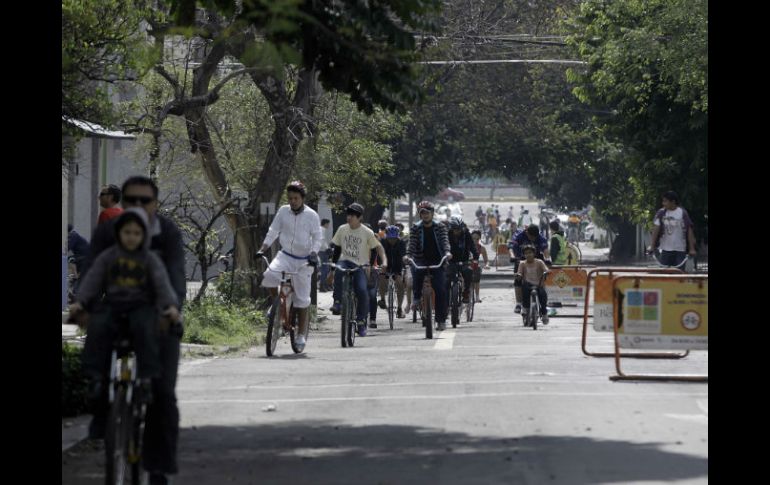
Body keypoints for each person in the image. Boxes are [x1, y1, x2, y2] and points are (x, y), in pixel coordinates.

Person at [80, 176, 186, 485]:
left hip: (157, 317)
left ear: (155, 204)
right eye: (131, 200)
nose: (138, 206)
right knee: (96, 355)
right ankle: (103, 413)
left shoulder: (167, 233)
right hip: (114, 310)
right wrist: (84, 306)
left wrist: (172, 311)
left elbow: (176, 279)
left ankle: (157, 469)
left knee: (162, 394)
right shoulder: (107, 232)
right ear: (122, 203)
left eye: (146, 201)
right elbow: (92, 273)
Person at [70, 207, 180, 413]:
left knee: (147, 329)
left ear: (143, 236)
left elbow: (162, 285)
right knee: (97, 327)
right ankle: (95, 378)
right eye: (127, 232)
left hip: (142, 307)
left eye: (136, 233)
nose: (131, 237)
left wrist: (171, 307)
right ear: (119, 234)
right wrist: (80, 302)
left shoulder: (150, 259)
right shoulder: (108, 257)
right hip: (113, 305)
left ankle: (146, 379)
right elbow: (92, 280)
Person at [257, 181, 324, 351]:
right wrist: (262, 249)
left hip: (304, 260)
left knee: (302, 299)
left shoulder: (312, 215)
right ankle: (277, 306)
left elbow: (317, 238)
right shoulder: (283, 211)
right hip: (285, 255)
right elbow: (273, 231)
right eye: (290, 198)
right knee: (269, 276)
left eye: (296, 198)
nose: (293, 201)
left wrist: (314, 253)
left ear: (302, 198)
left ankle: (301, 334)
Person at [329, 203, 388, 336]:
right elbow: (337, 249)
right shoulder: (342, 229)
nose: (349, 218)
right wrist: (331, 269)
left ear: (360, 217)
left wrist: (384, 261)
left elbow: (378, 248)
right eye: (348, 215)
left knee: (362, 291)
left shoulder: (367, 232)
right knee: (338, 269)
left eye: (353, 215)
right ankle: (337, 302)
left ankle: (361, 321)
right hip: (345, 261)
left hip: (360, 265)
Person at [406, 201, 452, 331]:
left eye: (427, 212)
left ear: (432, 213)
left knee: (440, 290)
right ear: (420, 215)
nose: (425, 215)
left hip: (438, 260)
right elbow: (412, 244)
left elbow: (444, 242)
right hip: (421, 259)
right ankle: (416, 298)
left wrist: (447, 253)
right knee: (416, 272)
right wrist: (408, 255)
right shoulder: (415, 227)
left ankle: (441, 320)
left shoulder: (440, 227)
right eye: (422, 213)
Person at [648, 191, 697, 267]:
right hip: (664, 249)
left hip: (680, 250)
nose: (663, 203)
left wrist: (692, 248)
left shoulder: (682, 213)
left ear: (673, 202)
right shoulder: (661, 213)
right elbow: (656, 230)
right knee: (664, 275)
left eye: (665, 201)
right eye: (663, 201)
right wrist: (652, 246)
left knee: (679, 275)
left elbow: (689, 230)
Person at [508, 225, 550, 314]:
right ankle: (519, 303)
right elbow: (511, 247)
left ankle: (542, 302)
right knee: (518, 279)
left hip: (536, 256)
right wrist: (512, 256)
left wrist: (547, 259)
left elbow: (545, 249)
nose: (533, 239)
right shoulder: (519, 235)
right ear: (527, 233)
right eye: (531, 237)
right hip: (521, 257)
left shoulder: (540, 237)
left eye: (535, 237)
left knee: (542, 277)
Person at [446, 217, 479, 304]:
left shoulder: (466, 235)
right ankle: (446, 298)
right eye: (455, 229)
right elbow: (442, 247)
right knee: (446, 278)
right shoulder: (446, 235)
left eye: (459, 229)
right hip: (451, 261)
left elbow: (472, 247)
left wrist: (475, 258)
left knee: (468, 272)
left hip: (464, 260)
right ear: (451, 229)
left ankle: (466, 293)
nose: (458, 231)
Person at [377, 226, 408, 319]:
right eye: (390, 238)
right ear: (387, 237)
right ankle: (382, 299)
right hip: (385, 266)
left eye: (394, 238)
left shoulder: (401, 243)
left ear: (397, 237)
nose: (392, 241)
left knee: (400, 284)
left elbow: (404, 254)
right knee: (382, 279)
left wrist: (405, 260)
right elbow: (379, 254)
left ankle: (399, 308)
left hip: (397, 267)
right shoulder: (382, 242)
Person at [515, 244, 549, 324]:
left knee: (543, 296)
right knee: (525, 292)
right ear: (524, 255)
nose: (528, 255)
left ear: (534, 253)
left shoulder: (539, 262)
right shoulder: (522, 263)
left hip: (539, 284)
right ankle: (525, 309)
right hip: (527, 285)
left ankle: (544, 313)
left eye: (530, 253)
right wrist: (519, 275)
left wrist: (546, 272)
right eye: (526, 253)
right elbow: (519, 272)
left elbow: (546, 269)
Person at [470, 230, 490, 303]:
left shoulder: (482, 248)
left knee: (476, 277)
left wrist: (487, 265)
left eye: (477, 239)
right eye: (473, 239)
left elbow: (486, 260)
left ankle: (477, 296)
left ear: (480, 239)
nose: (475, 241)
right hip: (466, 264)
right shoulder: (466, 246)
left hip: (475, 265)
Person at [318, 219, 333, 292]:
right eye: (328, 224)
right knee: (325, 269)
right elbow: (322, 240)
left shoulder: (320, 229)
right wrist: (327, 248)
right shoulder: (322, 229)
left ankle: (324, 285)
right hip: (322, 251)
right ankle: (322, 285)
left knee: (325, 269)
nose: (328, 226)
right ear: (326, 224)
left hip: (321, 250)